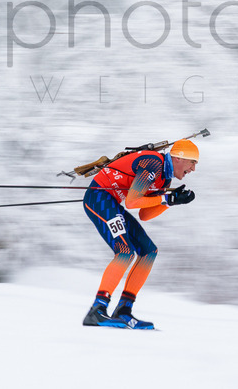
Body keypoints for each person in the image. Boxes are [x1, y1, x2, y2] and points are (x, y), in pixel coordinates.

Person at [81, 138, 199, 329]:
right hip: (99, 198)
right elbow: (132, 202)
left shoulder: (164, 177)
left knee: (148, 251)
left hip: (112, 204)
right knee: (125, 251)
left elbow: (145, 214)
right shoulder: (153, 164)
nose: (193, 169)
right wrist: (166, 197)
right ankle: (97, 311)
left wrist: (171, 202)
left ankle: (124, 310)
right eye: (193, 162)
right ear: (179, 158)